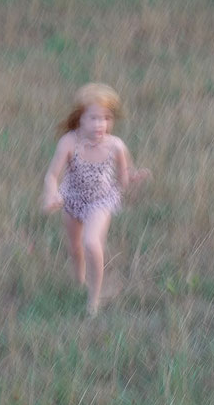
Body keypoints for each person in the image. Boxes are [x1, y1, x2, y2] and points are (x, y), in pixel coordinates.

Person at [40, 83, 150, 314]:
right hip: (72, 199)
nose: (100, 124)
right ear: (80, 118)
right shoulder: (69, 142)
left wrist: (133, 176)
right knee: (75, 247)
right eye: (93, 118)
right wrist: (51, 193)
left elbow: (122, 180)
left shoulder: (116, 146)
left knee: (91, 243)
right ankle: (79, 280)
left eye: (106, 118)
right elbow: (52, 175)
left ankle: (94, 299)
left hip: (101, 201)